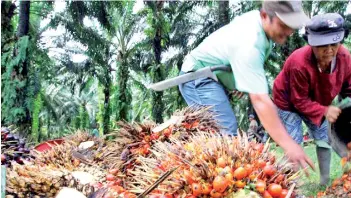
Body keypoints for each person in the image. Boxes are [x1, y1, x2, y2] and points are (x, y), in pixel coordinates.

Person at [178, 0, 315, 172]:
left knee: (225, 139)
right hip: (197, 78)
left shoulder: (260, 27)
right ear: (265, 16)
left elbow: (230, 54)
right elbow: (260, 100)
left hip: (213, 76)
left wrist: (234, 80)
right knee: (226, 135)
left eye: (292, 25)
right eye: (284, 25)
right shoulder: (249, 42)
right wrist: (289, 144)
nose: (289, 31)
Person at [272, 13, 351, 185]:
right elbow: (299, 100)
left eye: (334, 44)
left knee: (324, 138)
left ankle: (324, 180)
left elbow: (349, 87)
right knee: (294, 144)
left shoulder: (345, 58)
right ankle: (292, 185)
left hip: (318, 101)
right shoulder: (299, 62)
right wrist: (324, 110)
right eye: (322, 45)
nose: (329, 49)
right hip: (288, 102)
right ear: (311, 43)